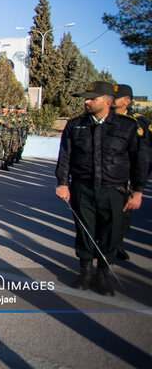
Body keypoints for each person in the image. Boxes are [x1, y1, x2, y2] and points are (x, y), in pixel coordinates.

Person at [55, 81, 147, 296]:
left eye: (92, 98)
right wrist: (62, 183)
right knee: (85, 230)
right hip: (83, 187)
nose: (86, 102)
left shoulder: (128, 126)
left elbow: (139, 160)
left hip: (114, 190)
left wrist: (139, 191)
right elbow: (65, 156)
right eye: (86, 98)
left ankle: (103, 274)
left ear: (107, 102)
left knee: (111, 233)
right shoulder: (76, 124)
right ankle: (85, 271)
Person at [112, 84, 152, 261]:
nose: (113, 100)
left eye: (117, 97)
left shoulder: (140, 123)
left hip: (127, 178)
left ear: (127, 101)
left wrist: (139, 182)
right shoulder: (102, 118)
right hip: (106, 175)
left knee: (124, 216)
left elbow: (146, 154)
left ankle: (117, 243)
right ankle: (105, 246)